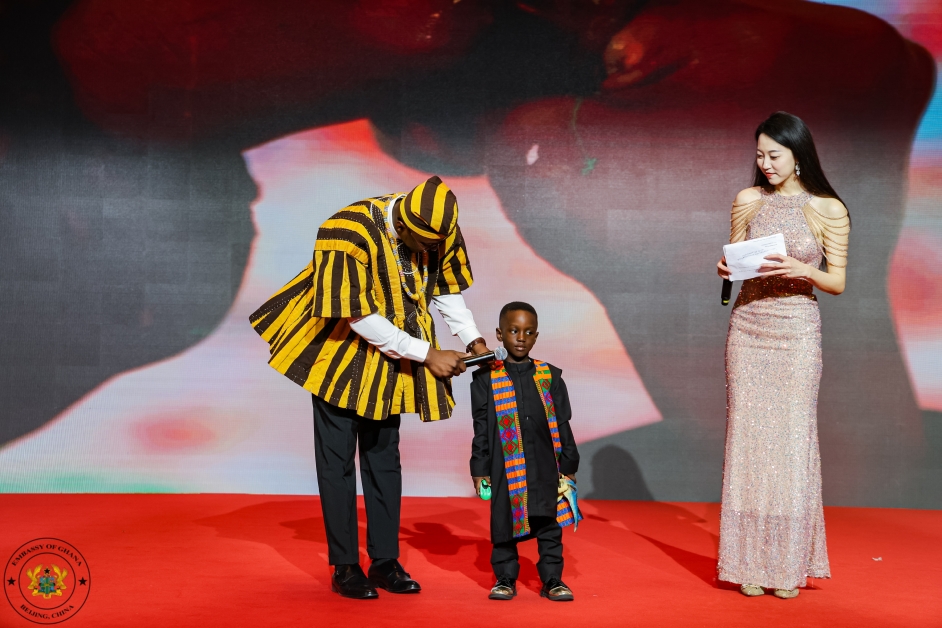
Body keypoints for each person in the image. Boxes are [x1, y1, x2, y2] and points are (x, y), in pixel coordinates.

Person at [250, 175, 490, 599]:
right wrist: (428, 354)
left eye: (436, 246)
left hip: (392, 356)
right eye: (424, 245)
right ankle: (344, 566)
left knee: (384, 458)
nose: (430, 252)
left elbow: (444, 286)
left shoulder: (439, 229)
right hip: (338, 350)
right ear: (403, 227)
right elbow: (357, 315)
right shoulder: (346, 231)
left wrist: (472, 338)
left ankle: (384, 561)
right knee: (337, 462)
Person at [716, 112, 851, 598]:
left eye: (774, 155)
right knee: (749, 443)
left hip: (796, 331)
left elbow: (837, 281)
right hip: (749, 327)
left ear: (798, 155)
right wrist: (725, 267)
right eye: (759, 155)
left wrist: (803, 268)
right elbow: (734, 262)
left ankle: (788, 562)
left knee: (792, 444)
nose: (765, 164)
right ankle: (749, 563)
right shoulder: (748, 200)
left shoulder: (828, 208)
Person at [470, 301, 580, 602]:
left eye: (529, 332)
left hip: (546, 464)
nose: (521, 338)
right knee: (503, 520)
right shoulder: (485, 379)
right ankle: (505, 577)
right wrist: (480, 469)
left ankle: (553, 579)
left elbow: (563, 423)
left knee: (549, 520)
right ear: (499, 334)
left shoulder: (550, 375)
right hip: (504, 466)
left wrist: (569, 464)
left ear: (536, 336)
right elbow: (481, 428)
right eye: (514, 331)